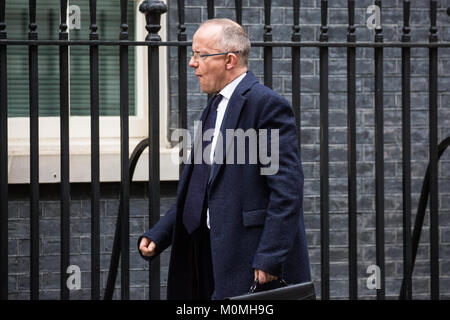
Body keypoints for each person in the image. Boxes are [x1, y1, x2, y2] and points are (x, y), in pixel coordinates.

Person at [138, 18, 311, 300]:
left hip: (246, 257)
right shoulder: (214, 107)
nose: (192, 63)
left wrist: (269, 257)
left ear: (229, 60)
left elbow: (286, 191)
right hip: (203, 253)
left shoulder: (266, 106)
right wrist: (161, 233)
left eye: (200, 55)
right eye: (193, 54)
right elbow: (201, 185)